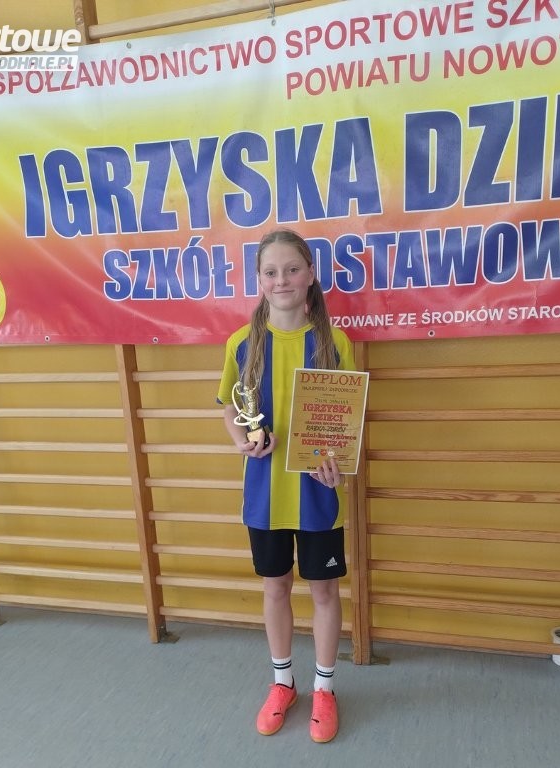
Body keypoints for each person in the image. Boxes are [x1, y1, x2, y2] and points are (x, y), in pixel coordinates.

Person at [217, 228, 354, 743]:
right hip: (264, 495)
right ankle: (283, 684)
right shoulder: (241, 343)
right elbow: (229, 407)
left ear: (311, 274)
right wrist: (242, 442)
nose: (282, 280)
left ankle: (324, 689)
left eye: (293, 269)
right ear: (258, 279)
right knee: (275, 587)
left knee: (324, 591)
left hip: (319, 492)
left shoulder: (334, 341)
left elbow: (347, 418)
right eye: (271, 272)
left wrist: (339, 463)